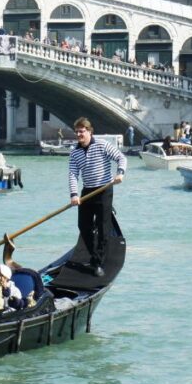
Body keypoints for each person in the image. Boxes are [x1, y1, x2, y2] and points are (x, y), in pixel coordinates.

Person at [68, 117, 126, 278]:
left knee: (102, 228)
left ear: (89, 131)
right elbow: (73, 175)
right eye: (77, 131)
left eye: (82, 131)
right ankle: (94, 253)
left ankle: (98, 262)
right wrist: (74, 195)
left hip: (104, 190)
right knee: (83, 225)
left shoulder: (102, 145)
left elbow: (121, 158)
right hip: (87, 191)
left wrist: (120, 173)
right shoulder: (75, 152)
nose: (79, 134)